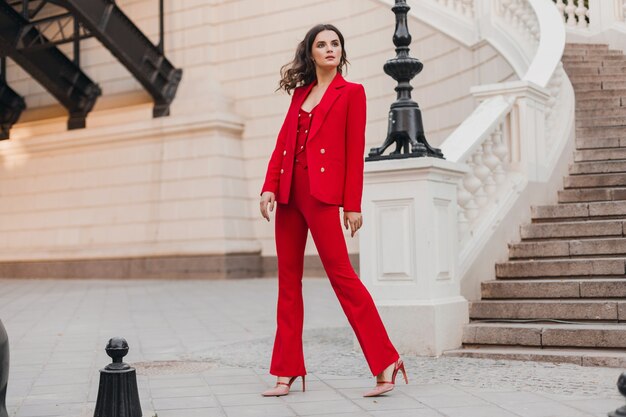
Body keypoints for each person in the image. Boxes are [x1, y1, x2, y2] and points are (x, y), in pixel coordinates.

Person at [259, 23, 407, 398]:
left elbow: (354, 152)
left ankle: (386, 361)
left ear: (341, 50)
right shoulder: (300, 94)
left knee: (343, 277)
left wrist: (352, 205)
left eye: (335, 43)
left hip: (322, 197)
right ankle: (286, 370)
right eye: (322, 44)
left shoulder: (352, 93)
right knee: (288, 283)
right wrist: (269, 186)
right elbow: (283, 143)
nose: (329, 49)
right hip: (289, 195)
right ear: (310, 52)